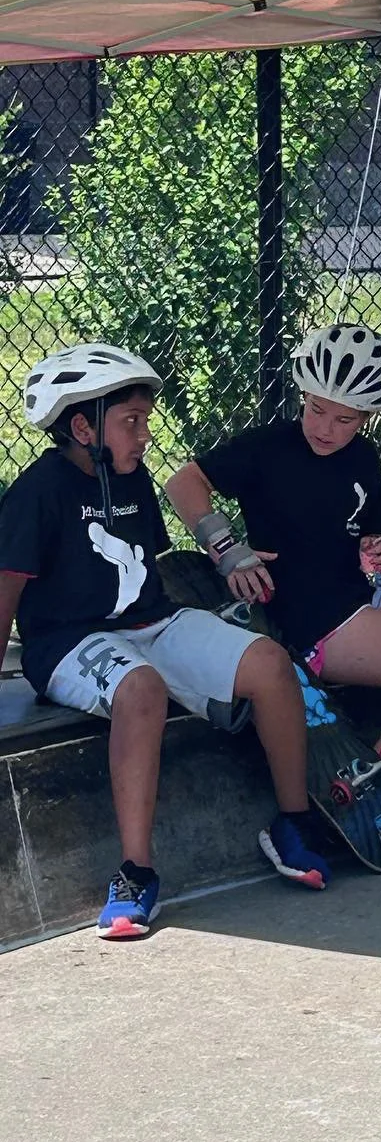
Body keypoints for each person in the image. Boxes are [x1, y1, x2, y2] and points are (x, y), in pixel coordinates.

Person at [0, 345, 330, 938]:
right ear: (82, 426)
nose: (145, 435)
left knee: (270, 664)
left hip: (150, 622)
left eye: (145, 421)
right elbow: (5, 595)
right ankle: (135, 874)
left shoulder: (132, 478)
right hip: (68, 643)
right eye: (131, 422)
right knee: (141, 689)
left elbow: (145, 579)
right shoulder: (36, 493)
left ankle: (293, 823)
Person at [165, 324, 381, 850]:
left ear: (366, 417)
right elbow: (183, 483)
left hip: (360, 599)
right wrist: (226, 548)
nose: (325, 426)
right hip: (313, 619)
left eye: (345, 418)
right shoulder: (268, 447)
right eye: (316, 409)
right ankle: (368, 778)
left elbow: (369, 543)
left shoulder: (363, 458)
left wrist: (378, 551)